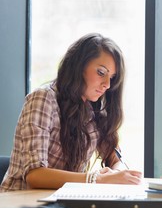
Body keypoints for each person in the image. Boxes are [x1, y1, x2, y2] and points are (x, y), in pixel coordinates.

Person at [0, 33, 142, 192]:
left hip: (61, 206)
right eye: (101, 73)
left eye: (112, 77)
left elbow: (115, 158)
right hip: (21, 206)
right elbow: (35, 175)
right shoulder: (43, 98)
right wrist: (97, 179)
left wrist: (115, 174)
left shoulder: (93, 111)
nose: (107, 85)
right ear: (79, 66)